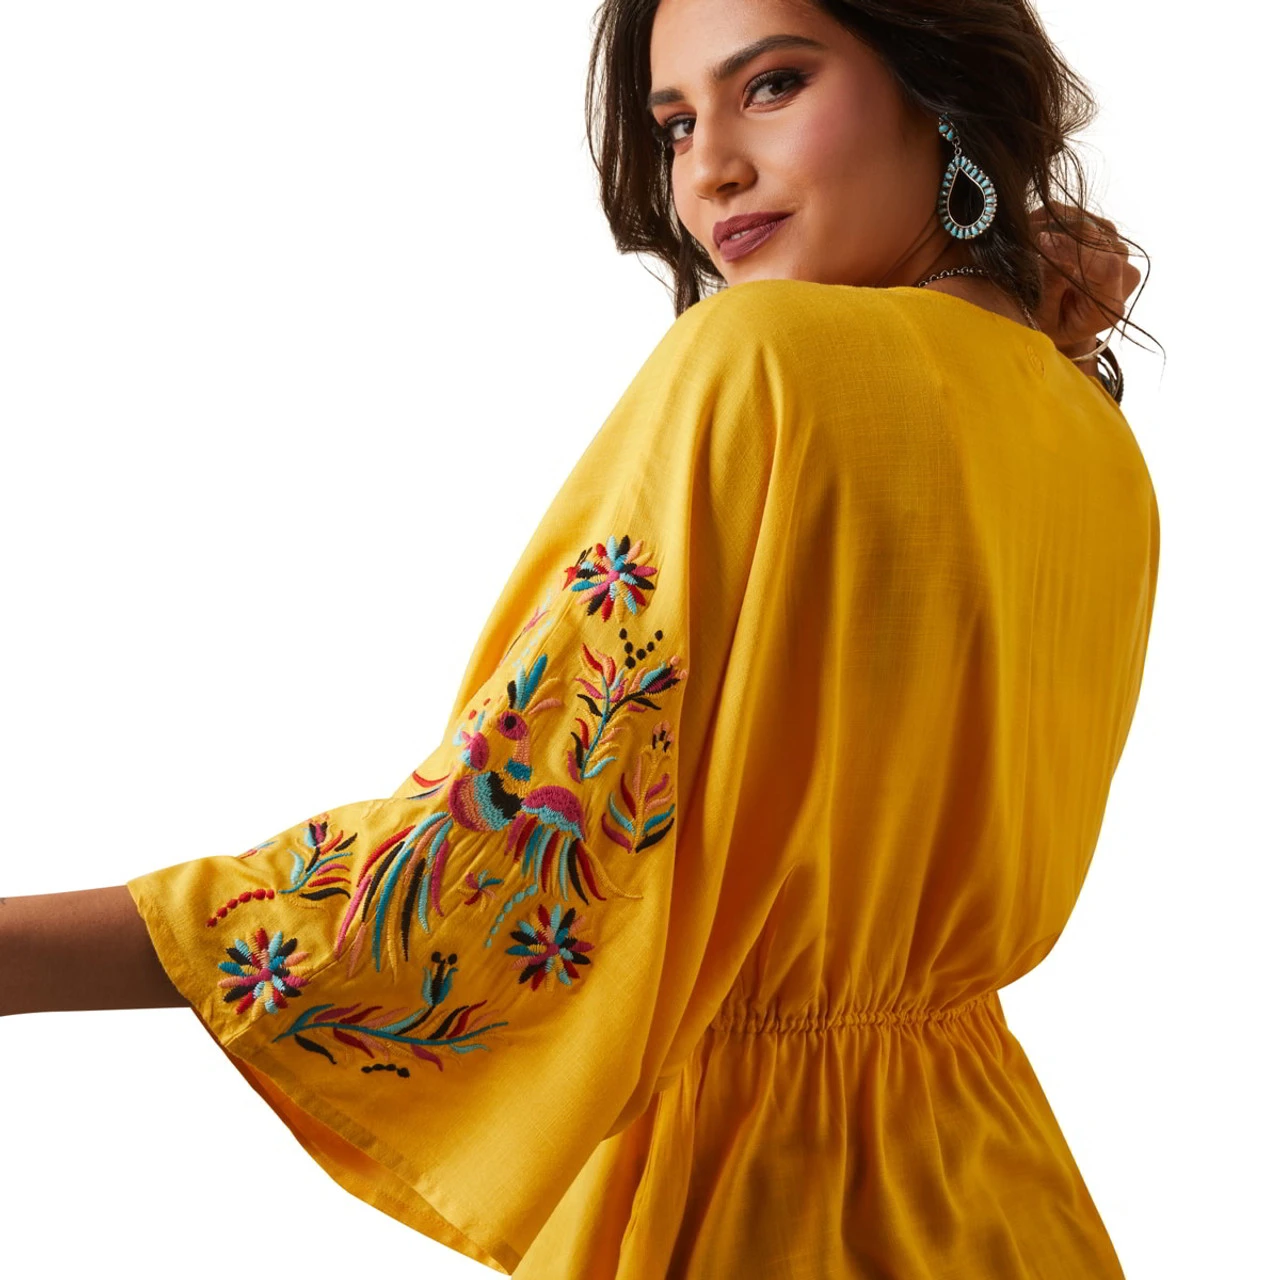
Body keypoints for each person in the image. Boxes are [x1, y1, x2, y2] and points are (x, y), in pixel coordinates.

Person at [0, 2, 1158, 1277]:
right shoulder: (1088, 433)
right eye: (675, 125)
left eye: (771, 84)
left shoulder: (762, 359)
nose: (710, 169)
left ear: (937, 87)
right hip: (999, 1189)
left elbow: (495, 855)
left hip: (745, 1204)